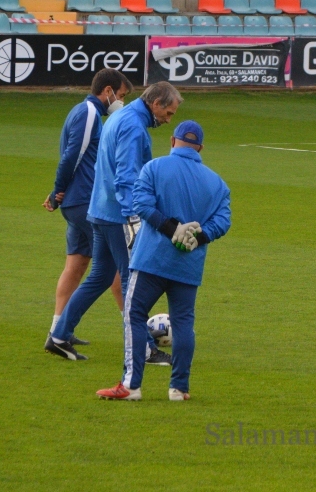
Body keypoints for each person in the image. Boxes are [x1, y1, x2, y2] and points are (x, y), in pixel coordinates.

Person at [46, 82, 183, 364]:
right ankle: (144, 350)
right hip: (117, 215)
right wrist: (134, 216)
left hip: (98, 211)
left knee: (100, 277)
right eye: (168, 113)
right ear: (155, 103)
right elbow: (126, 176)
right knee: (133, 284)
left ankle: (59, 335)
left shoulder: (121, 116)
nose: (168, 119)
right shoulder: (133, 126)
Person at [97, 120, 231, 401]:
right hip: (188, 264)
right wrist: (199, 237)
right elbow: (223, 221)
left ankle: (131, 386)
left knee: (134, 314)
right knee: (183, 323)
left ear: (172, 141)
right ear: (201, 148)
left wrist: (172, 230)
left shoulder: (154, 168)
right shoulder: (217, 183)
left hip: (151, 261)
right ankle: (179, 389)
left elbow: (142, 205)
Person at [43, 69, 132, 346]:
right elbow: (73, 155)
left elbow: (72, 155)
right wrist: (58, 190)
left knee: (77, 264)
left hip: (75, 201)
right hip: (86, 201)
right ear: (107, 91)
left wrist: (58, 192)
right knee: (118, 269)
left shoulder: (78, 111)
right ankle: (136, 335)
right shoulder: (90, 113)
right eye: (121, 95)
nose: (121, 101)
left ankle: (58, 329)